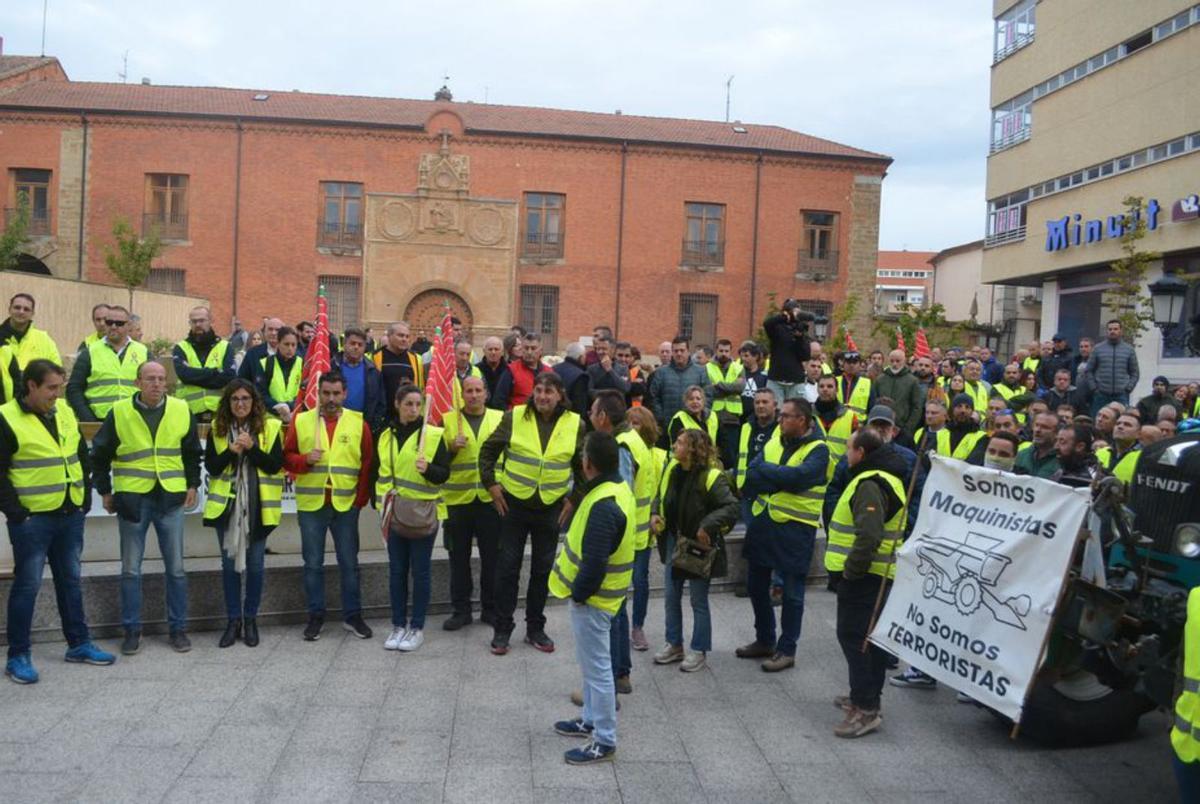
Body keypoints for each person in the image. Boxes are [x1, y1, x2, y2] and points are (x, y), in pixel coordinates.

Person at [1, 360, 115, 683]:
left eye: (60, 387)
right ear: (31, 386)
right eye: (51, 387)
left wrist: (83, 498)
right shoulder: (6, 418)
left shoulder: (63, 411)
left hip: (69, 515)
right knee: (27, 586)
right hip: (32, 520)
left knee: (71, 581)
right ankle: (18, 655)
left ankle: (78, 643)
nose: (57, 394)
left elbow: (81, 455)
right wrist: (17, 513)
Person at [91, 361, 202, 655]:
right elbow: (99, 454)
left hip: (170, 499)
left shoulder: (181, 409)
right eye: (150, 379)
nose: (156, 384)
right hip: (132, 501)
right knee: (130, 570)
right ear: (137, 382)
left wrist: (193, 484)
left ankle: (178, 629)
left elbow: (192, 453)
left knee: (176, 569)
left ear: (167, 383)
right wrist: (104, 490)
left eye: (161, 379)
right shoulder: (120, 411)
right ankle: (132, 630)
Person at [479, 371, 586, 655]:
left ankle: (535, 627)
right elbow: (487, 452)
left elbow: (583, 467)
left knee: (542, 570)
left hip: (551, 507)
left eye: (548, 392)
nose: (542, 397)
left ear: (560, 395)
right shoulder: (515, 416)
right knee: (507, 569)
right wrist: (492, 485)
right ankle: (503, 628)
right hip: (513, 504)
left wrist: (573, 499)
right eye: (538, 390)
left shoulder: (575, 424)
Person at [549, 431, 634, 766]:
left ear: (587, 464)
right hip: (602, 599)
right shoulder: (616, 489)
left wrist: (580, 594)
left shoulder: (603, 504)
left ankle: (605, 739)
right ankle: (589, 719)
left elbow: (595, 561)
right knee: (590, 664)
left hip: (595, 601)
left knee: (599, 669)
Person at [737, 397, 829, 672]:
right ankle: (765, 639)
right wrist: (781, 476)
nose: (780, 420)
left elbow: (800, 477)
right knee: (755, 585)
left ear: (802, 420)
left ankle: (787, 649)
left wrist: (774, 475)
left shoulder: (819, 449)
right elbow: (752, 474)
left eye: (786, 416)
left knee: (791, 594)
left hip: (796, 528)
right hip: (766, 522)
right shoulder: (776, 439)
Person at [284, 372, 375, 642]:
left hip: (346, 505)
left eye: (336, 393)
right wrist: (304, 461)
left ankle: (353, 616)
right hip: (312, 505)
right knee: (313, 564)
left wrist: (359, 501)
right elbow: (286, 458)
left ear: (345, 394)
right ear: (318, 393)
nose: (331, 399)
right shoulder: (301, 421)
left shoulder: (359, 423)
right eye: (326, 393)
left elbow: (367, 464)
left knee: (349, 563)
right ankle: (316, 616)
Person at [829, 428, 907, 737]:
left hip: (866, 576)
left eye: (849, 449)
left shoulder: (870, 483)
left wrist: (851, 571)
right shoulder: (886, 477)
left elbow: (869, 535)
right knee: (868, 639)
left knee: (854, 637)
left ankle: (865, 708)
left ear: (861, 452)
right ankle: (865, 695)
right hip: (877, 573)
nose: (846, 454)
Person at [202, 379, 284, 648]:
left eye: (245, 399)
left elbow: (274, 466)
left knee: (256, 567)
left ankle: (250, 619)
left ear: (254, 402)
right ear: (228, 402)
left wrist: (252, 449)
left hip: (258, 509)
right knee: (229, 568)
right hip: (227, 509)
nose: (240, 404)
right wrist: (231, 450)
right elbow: (212, 467)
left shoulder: (270, 427)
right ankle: (232, 620)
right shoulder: (217, 429)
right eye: (235, 399)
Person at [651, 429, 739, 672]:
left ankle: (699, 650)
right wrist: (655, 513)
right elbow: (660, 495)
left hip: (698, 545)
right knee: (671, 596)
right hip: (674, 541)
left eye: (679, 443)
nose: (674, 446)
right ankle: (674, 644)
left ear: (692, 449)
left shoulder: (711, 476)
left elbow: (732, 507)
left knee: (698, 600)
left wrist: (707, 525)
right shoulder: (672, 469)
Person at [586, 389, 651, 697]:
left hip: (621, 541)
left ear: (602, 417)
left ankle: (609, 681)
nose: (589, 418)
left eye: (591, 413)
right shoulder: (635, 440)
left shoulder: (621, 445)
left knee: (609, 610)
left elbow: (617, 496)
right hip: (634, 536)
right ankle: (621, 673)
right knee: (618, 608)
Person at [376, 384, 450, 652]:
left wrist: (428, 468)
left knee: (420, 572)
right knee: (396, 571)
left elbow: (444, 474)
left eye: (418, 404)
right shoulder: (386, 435)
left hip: (423, 514)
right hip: (394, 512)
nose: (414, 409)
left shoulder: (433, 435)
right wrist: (381, 509)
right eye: (408, 403)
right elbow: (381, 473)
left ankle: (416, 627)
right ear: (397, 404)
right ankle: (398, 625)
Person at [441, 376, 503, 631]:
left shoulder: (500, 418)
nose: (474, 395)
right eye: (469, 391)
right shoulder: (447, 420)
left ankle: (490, 609)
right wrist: (451, 449)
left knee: (492, 559)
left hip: (491, 500)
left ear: (486, 394)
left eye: (478, 390)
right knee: (458, 559)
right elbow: (435, 461)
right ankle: (461, 610)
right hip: (458, 501)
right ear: (462, 394)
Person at [66, 305, 147, 422]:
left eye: (119, 323)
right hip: (99, 421)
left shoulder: (143, 352)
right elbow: (74, 389)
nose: (113, 326)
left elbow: (153, 385)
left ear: (128, 325)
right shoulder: (89, 352)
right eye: (109, 322)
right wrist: (88, 418)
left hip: (134, 421)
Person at [625, 406, 663, 652]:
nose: (631, 428)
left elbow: (658, 491)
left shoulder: (659, 455)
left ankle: (637, 626)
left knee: (640, 580)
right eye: (628, 423)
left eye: (636, 423)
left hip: (642, 530)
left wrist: (655, 514)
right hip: (622, 529)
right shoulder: (622, 449)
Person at [173, 306, 234, 421]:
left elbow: (228, 377)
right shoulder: (181, 348)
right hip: (188, 412)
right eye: (194, 321)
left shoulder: (225, 347)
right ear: (189, 323)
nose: (198, 324)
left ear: (211, 321)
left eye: (202, 320)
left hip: (219, 412)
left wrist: (195, 376)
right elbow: (184, 375)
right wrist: (214, 372)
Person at [647, 335, 711, 437]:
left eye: (682, 350)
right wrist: (661, 418)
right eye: (676, 351)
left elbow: (707, 396)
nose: (679, 354)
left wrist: (700, 418)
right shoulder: (661, 372)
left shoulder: (700, 372)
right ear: (672, 352)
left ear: (688, 351)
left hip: (693, 427)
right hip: (667, 427)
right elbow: (653, 397)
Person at [337, 327, 386, 433]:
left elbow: (380, 402)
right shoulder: (332, 367)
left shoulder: (373, 371)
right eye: (352, 343)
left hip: (363, 428)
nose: (356, 347)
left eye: (360, 345)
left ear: (364, 347)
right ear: (344, 344)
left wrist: (373, 425)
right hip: (336, 425)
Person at [762, 300, 814, 401]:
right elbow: (767, 323)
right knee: (776, 412)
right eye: (793, 312)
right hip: (776, 379)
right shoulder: (777, 328)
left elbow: (806, 356)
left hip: (795, 380)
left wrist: (799, 337)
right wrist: (786, 316)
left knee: (794, 412)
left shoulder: (800, 328)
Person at [1085, 319, 1139, 415]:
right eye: (1110, 329)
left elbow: (1135, 372)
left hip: (1121, 395)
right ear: (1107, 331)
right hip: (1101, 395)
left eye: (1115, 329)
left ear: (1121, 331)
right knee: (1098, 422)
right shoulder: (1098, 349)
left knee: (1121, 421)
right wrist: (1094, 388)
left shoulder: (1129, 350)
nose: (1112, 331)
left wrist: (1128, 389)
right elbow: (1089, 370)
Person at [706, 338, 744, 470]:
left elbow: (739, 388)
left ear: (730, 351)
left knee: (730, 457)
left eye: (726, 351)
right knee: (713, 454)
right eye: (721, 350)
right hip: (713, 418)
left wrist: (717, 386)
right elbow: (708, 390)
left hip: (732, 419)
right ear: (716, 350)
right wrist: (729, 388)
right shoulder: (707, 367)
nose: (724, 353)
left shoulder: (738, 367)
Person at [493, 332, 552, 410]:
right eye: (526, 348)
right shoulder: (511, 370)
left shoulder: (549, 372)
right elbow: (498, 401)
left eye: (533, 348)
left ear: (541, 350)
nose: (529, 352)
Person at [734, 388, 779, 491]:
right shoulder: (746, 427)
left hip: (771, 488)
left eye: (765, 402)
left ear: (775, 405)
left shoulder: (783, 428)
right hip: (745, 488)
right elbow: (738, 458)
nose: (760, 406)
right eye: (757, 402)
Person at [0, 293, 61, 369]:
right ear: (9, 310)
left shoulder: (44, 340)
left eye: (26, 309)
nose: (21, 312)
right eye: (17, 307)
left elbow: (56, 371)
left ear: (32, 313)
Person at [258, 326, 303, 424]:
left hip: (295, 419)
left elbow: (305, 392)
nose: (290, 348)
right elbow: (261, 393)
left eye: (293, 345)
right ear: (278, 344)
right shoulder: (265, 363)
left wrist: (290, 407)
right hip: (271, 421)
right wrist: (278, 407)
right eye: (286, 344)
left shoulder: (302, 364)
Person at [374, 322, 426, 406]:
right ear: (389, 336)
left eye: (407, 336)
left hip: (409, 415)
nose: (404, 339)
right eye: (400, 335)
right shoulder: (374, 357)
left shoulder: (417, 359)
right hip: (382, 414)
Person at [874, 349, 923, 439]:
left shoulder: (912, 381)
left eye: (898, 361)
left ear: (904, 361)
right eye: (892, 361)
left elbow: (917, 406)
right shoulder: (880, 379)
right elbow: (874, 401)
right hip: (881, 425)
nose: (894, 364)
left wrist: (908, 428)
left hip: (902, 428)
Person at [813, 375, 857, 477]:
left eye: (829, 386)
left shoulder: (850, 416)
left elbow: (856, 447)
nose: (825, 389)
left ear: (837, 389)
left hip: (839, 474)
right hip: (813, 472)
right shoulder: (808, 415)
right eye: (821, 386)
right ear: (817, 389)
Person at [936, 393, 986, 460]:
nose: (963, 411)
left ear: (972, 411)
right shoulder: (940, 433)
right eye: (959, 406)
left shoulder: (981, 437)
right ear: (952, 410)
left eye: (967, 407)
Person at [1095, 412, 1141, 484]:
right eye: (1118, 424)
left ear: (1138, 434)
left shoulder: (1142, 458)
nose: (1120, 427)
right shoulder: (1100, 452)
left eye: (1127, 425)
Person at [1014, 411, 1062, 478]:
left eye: (1045, 427)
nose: (1038, 430)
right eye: (1036, 425)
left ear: (1057, 433)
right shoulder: (1021, 455)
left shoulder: (1062, 461)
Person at [237, 317, 283, 383]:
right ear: (264, 332)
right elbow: (242, 380)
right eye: (270, 329)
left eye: (277, 330)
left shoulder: (289, 354)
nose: (273, 333)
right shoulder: (252, 354)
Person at [554, 343, 593, 417]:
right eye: (584, 355)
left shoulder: (553, 368)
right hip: (569, 418)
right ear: (580, 357)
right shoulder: (581, 376)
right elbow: (580, 405)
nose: (585, 358)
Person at [587, 336, 631, 401]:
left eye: (604, 349)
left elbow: (625, 388)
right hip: (598, 408)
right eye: (598, 349)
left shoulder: (623, 369)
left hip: (617, 409)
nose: (600, 352)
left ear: (612, 350)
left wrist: (610, 370)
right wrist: (612, 393)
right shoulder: (591, 369)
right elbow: (589, 391)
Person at [738, 341, 769, 418]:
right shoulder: (737, 373)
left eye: (746, 356)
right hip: (738, 417)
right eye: (742, 356)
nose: (743, 359)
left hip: (755, 418)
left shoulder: (764, 376)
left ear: (755, 356)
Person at [837, 352, 873, 417]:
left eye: (855, 362)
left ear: (860, 365)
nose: (851, 365)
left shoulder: (867, 383)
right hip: (837, 423)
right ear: (843, 365)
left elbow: (871, 408)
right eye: (848, 362)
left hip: (859, 424)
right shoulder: (834, 381)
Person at [476, 336, 509, 400]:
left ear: (502, 352)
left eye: (496, 349)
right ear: (484, 351)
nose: (493, 352)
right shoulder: (476, 369)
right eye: (490, 349)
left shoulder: (509, 370)